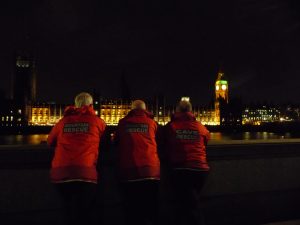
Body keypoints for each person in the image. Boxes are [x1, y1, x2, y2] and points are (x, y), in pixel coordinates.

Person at [47, 92, 106, 225]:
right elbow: (105, 142)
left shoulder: (62, 122)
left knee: (67, 210)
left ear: (75, 105)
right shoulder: (98, 122)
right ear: (91, 105)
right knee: (85, 212)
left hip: (60, 173)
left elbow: (50, 141)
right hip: (85, 173)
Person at [163, 100, 210, 225]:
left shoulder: (171, 126)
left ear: (177, 111)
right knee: (192, 202)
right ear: (191, 111)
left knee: (185, 205)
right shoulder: (200, 126)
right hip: (201, 169)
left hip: (181, 168)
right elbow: (207, 137)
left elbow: (162, 139)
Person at [114, 99, 160, 225]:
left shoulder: (123, 123)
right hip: (151, 171)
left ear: (132, 109)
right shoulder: (152, 123)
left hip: (130, 171)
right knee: (151, 209)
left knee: (131, 210)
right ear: (145, 110)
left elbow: (115, 141)